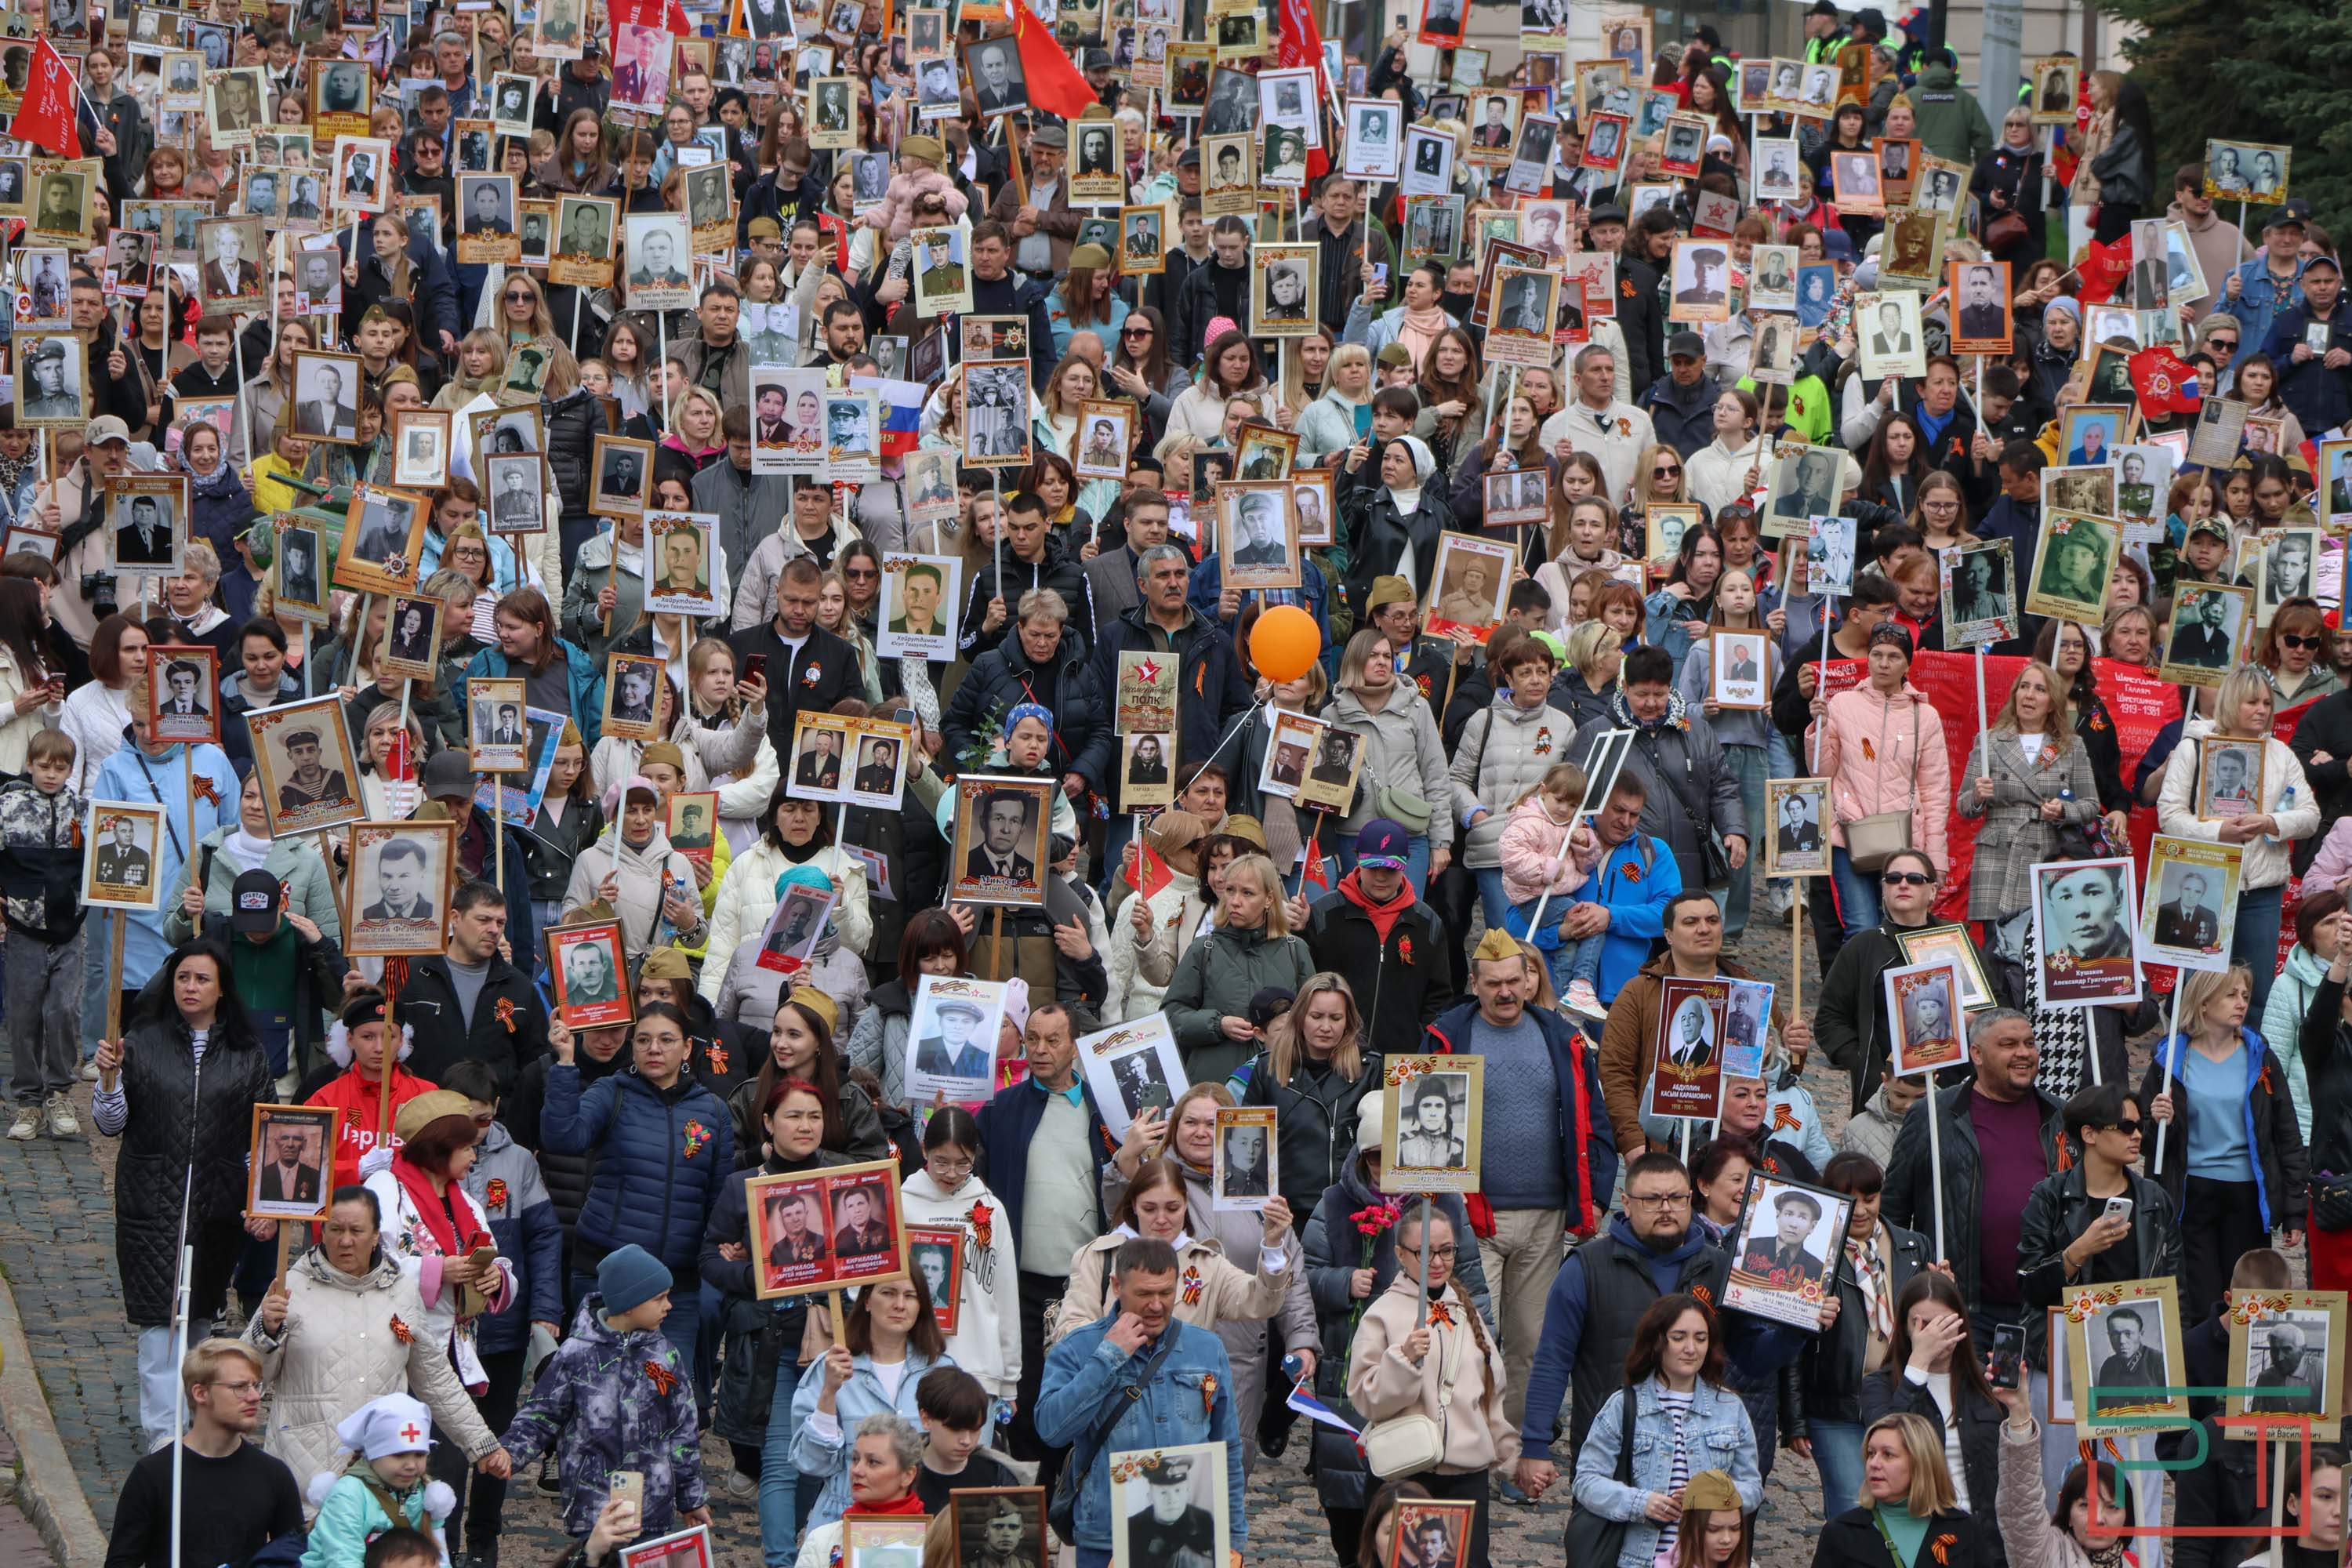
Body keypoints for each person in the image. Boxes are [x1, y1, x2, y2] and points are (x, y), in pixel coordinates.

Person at [93, 942, 274, 1450]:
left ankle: (196, 1430)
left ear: (222, 990)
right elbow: (110, 1124)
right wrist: (109, 1082)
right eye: (183, 978)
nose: (190, 988)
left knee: (198, 1321)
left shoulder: (246, 1056)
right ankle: (161, 1440)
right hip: (151, 1204)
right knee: (158, 1325)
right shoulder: (141, 1043)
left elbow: (267, 1136)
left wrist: (264, 1204)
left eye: (202, 980)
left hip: (216, 1208)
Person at [1035, 1236, 1245, 1568]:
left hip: (1192, 1542)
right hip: (1107, 1539)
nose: (1157, 1305)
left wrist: (1234, 1538)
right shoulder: (1078, 1348)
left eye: (1166, 1292)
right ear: (1116, 1285)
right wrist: (1108, 1357)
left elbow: (1228, 1448)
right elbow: (1052, 1429)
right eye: (1144, 1293)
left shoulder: (1207, 1348)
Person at [499, 1243, 711, 1541]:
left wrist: (692, 1498)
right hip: (593, 1504)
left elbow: (683, 1433)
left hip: (652, 1505)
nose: (669, 1306)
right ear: (629, 1304)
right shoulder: (576, 1355)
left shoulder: (665, 1357)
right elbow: (542, 1413)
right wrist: (509, 1452)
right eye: (659, 1298)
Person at [1350, 1206, 1516, 1567]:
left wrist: (1512, 1460)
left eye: (1447, 1250)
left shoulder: (1464, 1313)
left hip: (1465, 1480)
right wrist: (1404, 1360)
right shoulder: (1383, 1313)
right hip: (1405, 1476)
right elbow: (1367, 1399)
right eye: (1424, 1252)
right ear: (1400, 1254)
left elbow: (1489, 1400)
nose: (1438, 1262)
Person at [2143, 964, 2307, 1317]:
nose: (2241, 1003)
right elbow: (2146, 1141)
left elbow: (2286, 1134)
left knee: (2250, 1299)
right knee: (2201, 1300)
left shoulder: (2259, 1056)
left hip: (2247, 1193)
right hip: (2191, 1192)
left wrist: (2294, 1211)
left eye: (2245, 996)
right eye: (2231, 994)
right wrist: (2160, 1121)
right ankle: (2207, 1369)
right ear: (2203, 1002)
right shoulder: (2171, 1058)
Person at [1570, 1293, 1763, 1568]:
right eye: (1679, 1337)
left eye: (1700, 1338)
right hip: (1639, 1560)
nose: (1691, 1348)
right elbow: (1586, 1481)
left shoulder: (1729, 1407)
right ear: (1658, 1342)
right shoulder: (1624, 1405)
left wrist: (1714, 1497)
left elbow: (1753, 1488)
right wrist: (1641, 1503)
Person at [102, 1338, 303, 1568]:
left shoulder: (274, 1475)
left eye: (255, 1385)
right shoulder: (155, 1475)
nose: (255, 1397)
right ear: (200, 1393)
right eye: (240, 1387)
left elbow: (293, 1558)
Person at [1808, 623, 1948, 937]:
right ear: (1867, 658)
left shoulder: (1925, 716)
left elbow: (1935, 790)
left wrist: (1936, 856)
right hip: (1850, 830)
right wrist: (1818, 729)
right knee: (1860, 926)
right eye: (1877, 655)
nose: (1884, 663)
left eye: (1894, 656)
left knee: (1903, 928)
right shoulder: (1842, 703)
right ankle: (1858, 988)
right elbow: (1821, 774)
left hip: (1905, 839)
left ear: (1908, 664)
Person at [1809, 1411, 1991, 1568]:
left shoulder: (1964, 1529)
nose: (1874, 1464)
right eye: (1871, 1454)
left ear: (1920, 1463)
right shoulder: (1841, 1533)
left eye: (1888, 1455)